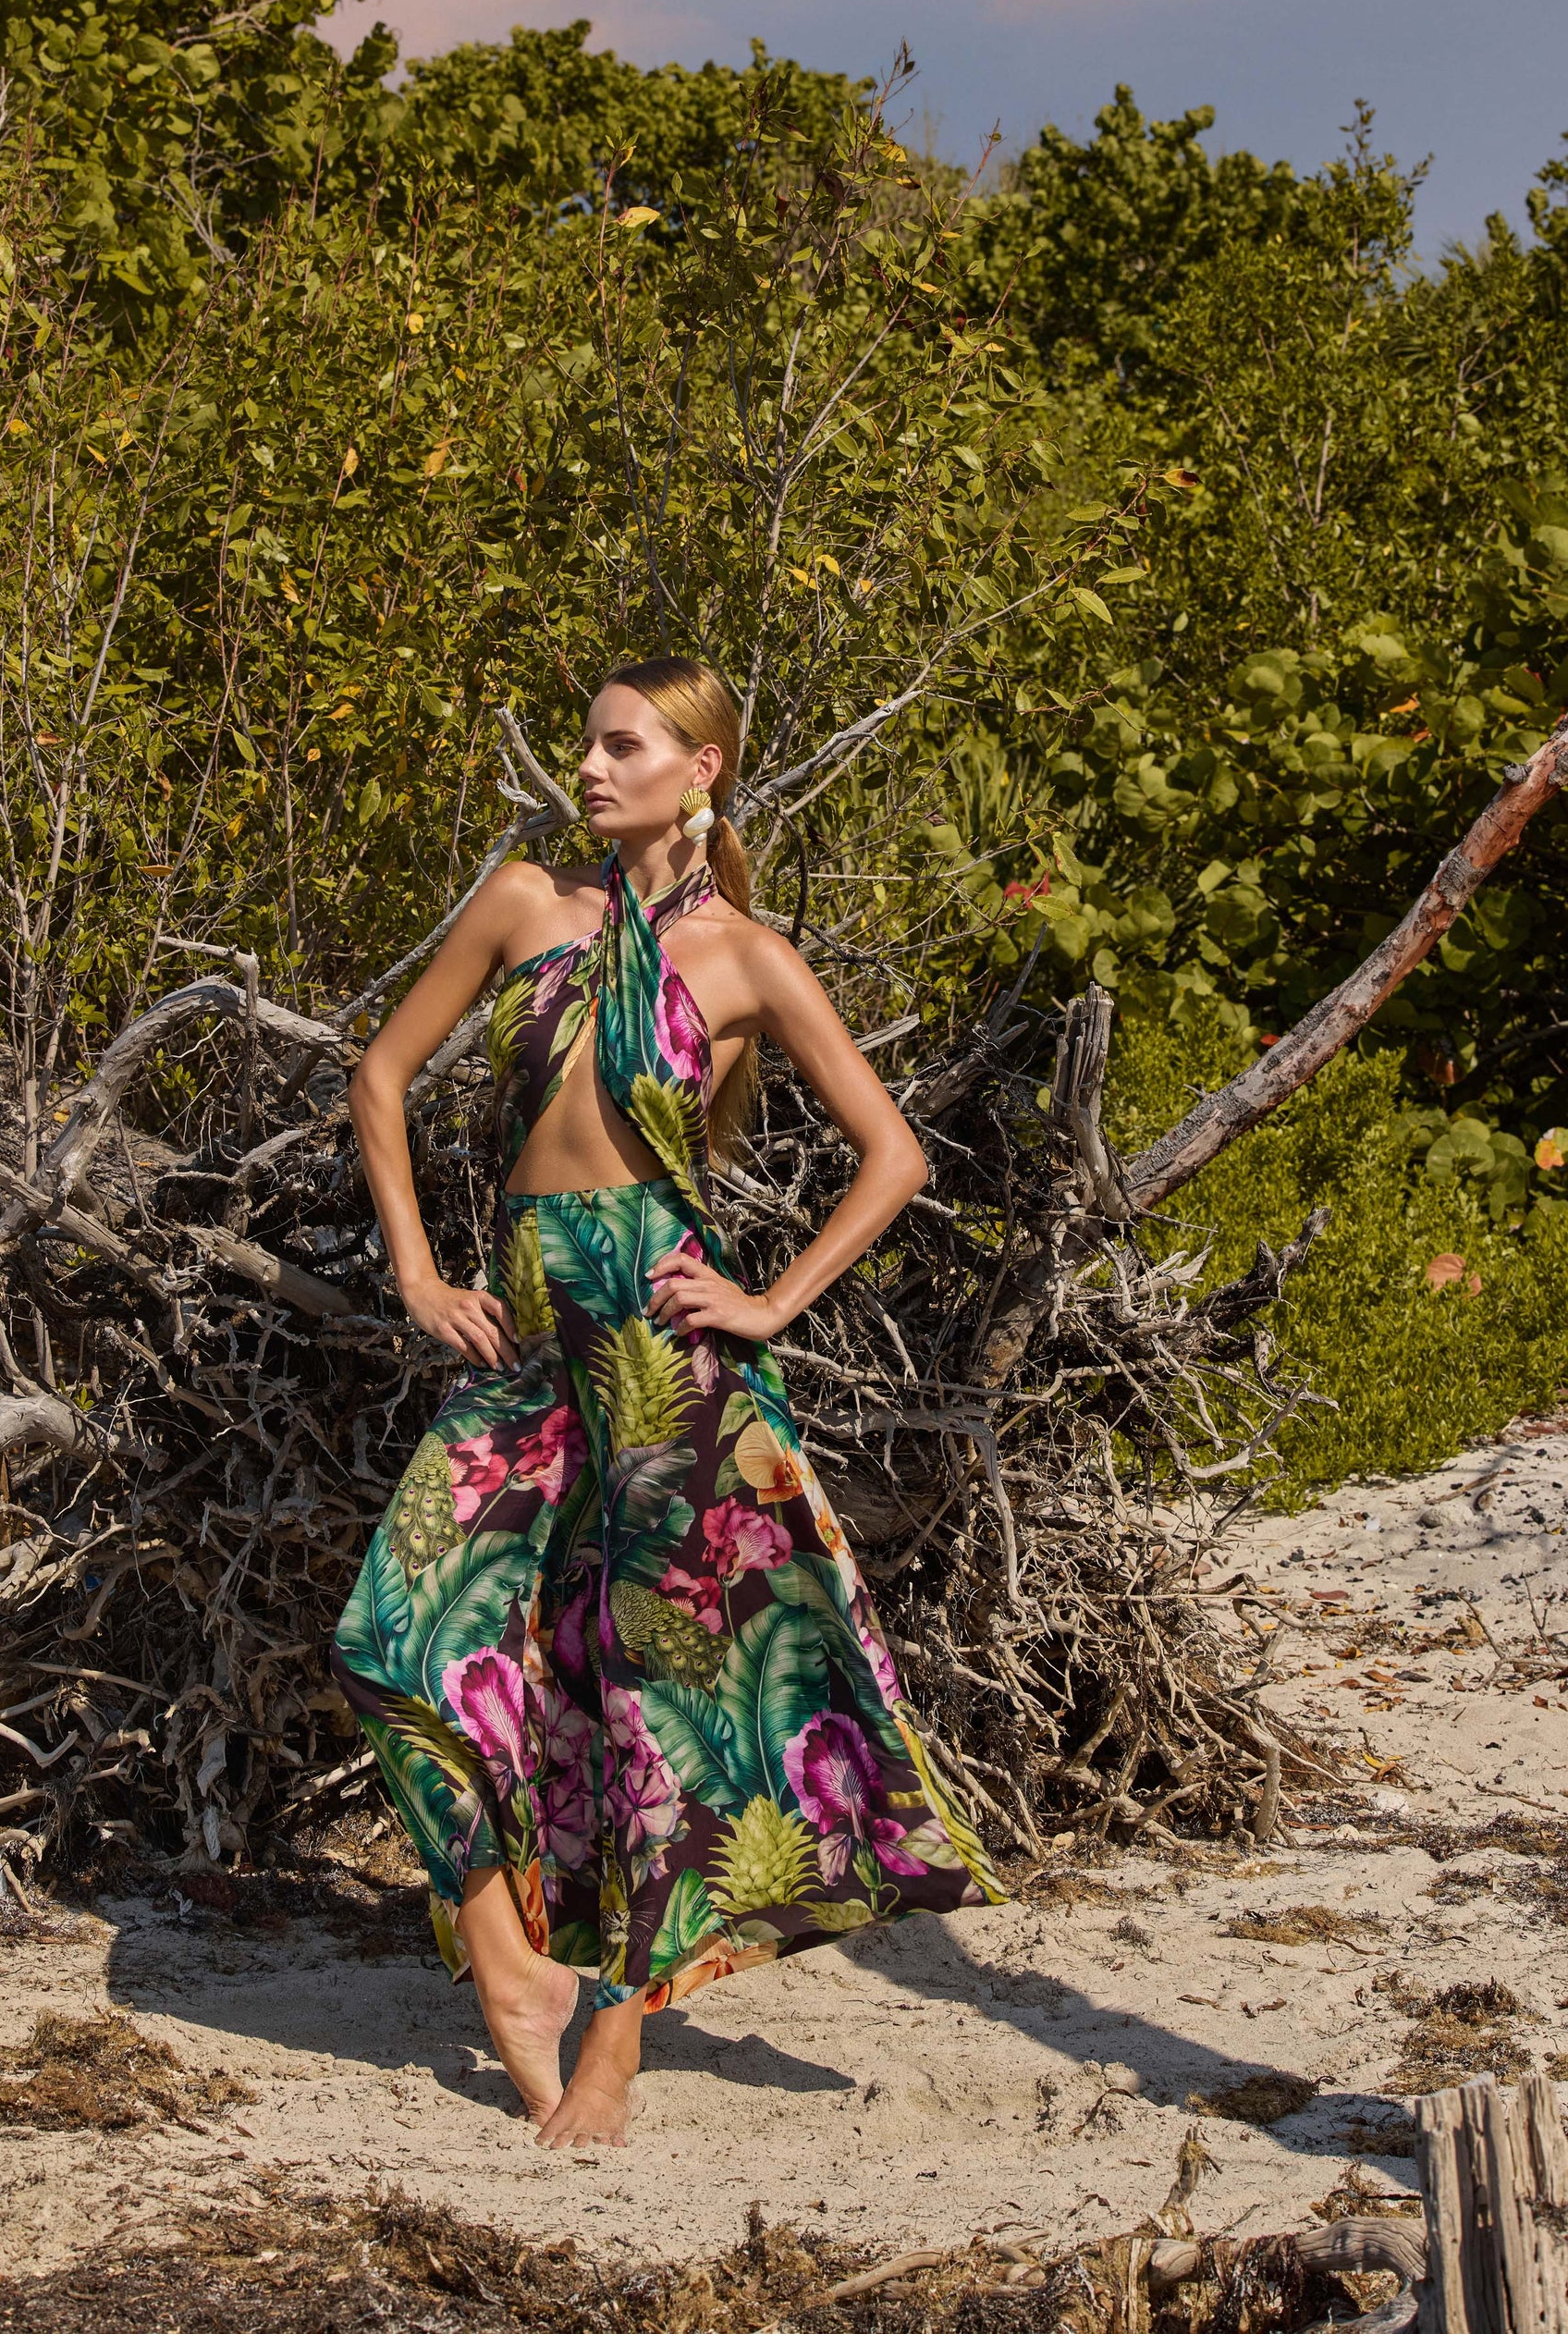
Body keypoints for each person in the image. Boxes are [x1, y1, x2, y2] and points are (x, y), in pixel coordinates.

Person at [330, 656, 1001, 2150]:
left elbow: (892, 1157)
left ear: (699, 769)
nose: (589, 766)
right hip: (518, 1330)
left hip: (658, 1337)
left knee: (660, 1700)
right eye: (585, 742)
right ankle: (513, 1973)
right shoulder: (523, 902)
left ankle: (618, 2036)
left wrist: (767, 1300)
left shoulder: (749, 955)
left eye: (622, 745)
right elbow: (378, 1077)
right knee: (392, 1635)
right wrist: (418, 1272)